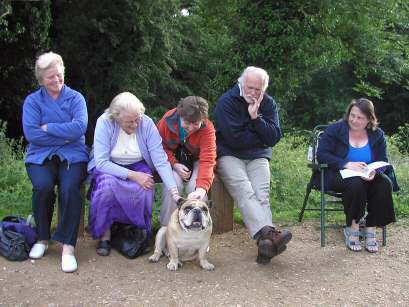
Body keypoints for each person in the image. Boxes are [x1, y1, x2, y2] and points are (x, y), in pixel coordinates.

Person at [214, 66, 292, 264]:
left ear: (263, 89)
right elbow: (234, 140)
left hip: (258, 156)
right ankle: (270, 235)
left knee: (261, 193)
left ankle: (265, 243)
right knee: (244, 190)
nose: (253, 93)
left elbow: (273, 137)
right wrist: (260, 136)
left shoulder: (268, 104)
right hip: (230, 155)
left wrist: (255, 118)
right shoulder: (226, 102)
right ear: (241, 84)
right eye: (249, 87)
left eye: (258, 89)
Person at [88, 92, 181, 256]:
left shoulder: (147, 123)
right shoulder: (104, 122)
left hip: (138, 163)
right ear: (116, 117)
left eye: (137, 119)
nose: (135, 124)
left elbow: (160, 159)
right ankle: (105, 235)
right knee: (107, 187)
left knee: (146, 186)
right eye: (129, 122)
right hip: (109, 164)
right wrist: (133, 175)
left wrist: (173, 189)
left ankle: (135, 233)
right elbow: (101, 162)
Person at [22, 51, 88, 273]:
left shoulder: (76, 98)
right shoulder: (32, 101)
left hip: (73, 155)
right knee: (43, 187)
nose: (57, 80)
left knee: (70, 188)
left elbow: (80, 128)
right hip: (40, 154)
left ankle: (68, 247)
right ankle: (42, 238)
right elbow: (32, 134)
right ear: (41, 80)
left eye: (59, 75)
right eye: (51, 77)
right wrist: (65, 133)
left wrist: (49, 127)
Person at [316, 98, 398, 253]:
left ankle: (371, 228)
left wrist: (374, 172)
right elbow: (322, 155)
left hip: (367, 175)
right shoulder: (335, 130)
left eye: (359, 117)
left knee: (384, 183)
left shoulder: (377, 134)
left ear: (369, 119)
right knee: (355, 183)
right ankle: (352, 227)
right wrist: (346, 164)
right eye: (352, 115)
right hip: (338, 174)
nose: (354, 120)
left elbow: (383, 160)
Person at [157, 96, 216, 226]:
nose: (190, 127)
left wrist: (201, 189)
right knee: (172, 184)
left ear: (203, 119)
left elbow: (208, 159)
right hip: (174, 160)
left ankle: (200, 227)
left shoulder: (207, 128)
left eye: (196, 124)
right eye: (187, 123)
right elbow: (159, 148)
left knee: (195, 188)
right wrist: (174, 164)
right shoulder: (167, 122)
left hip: (197, 160)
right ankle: (167, 229)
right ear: (180, 115)